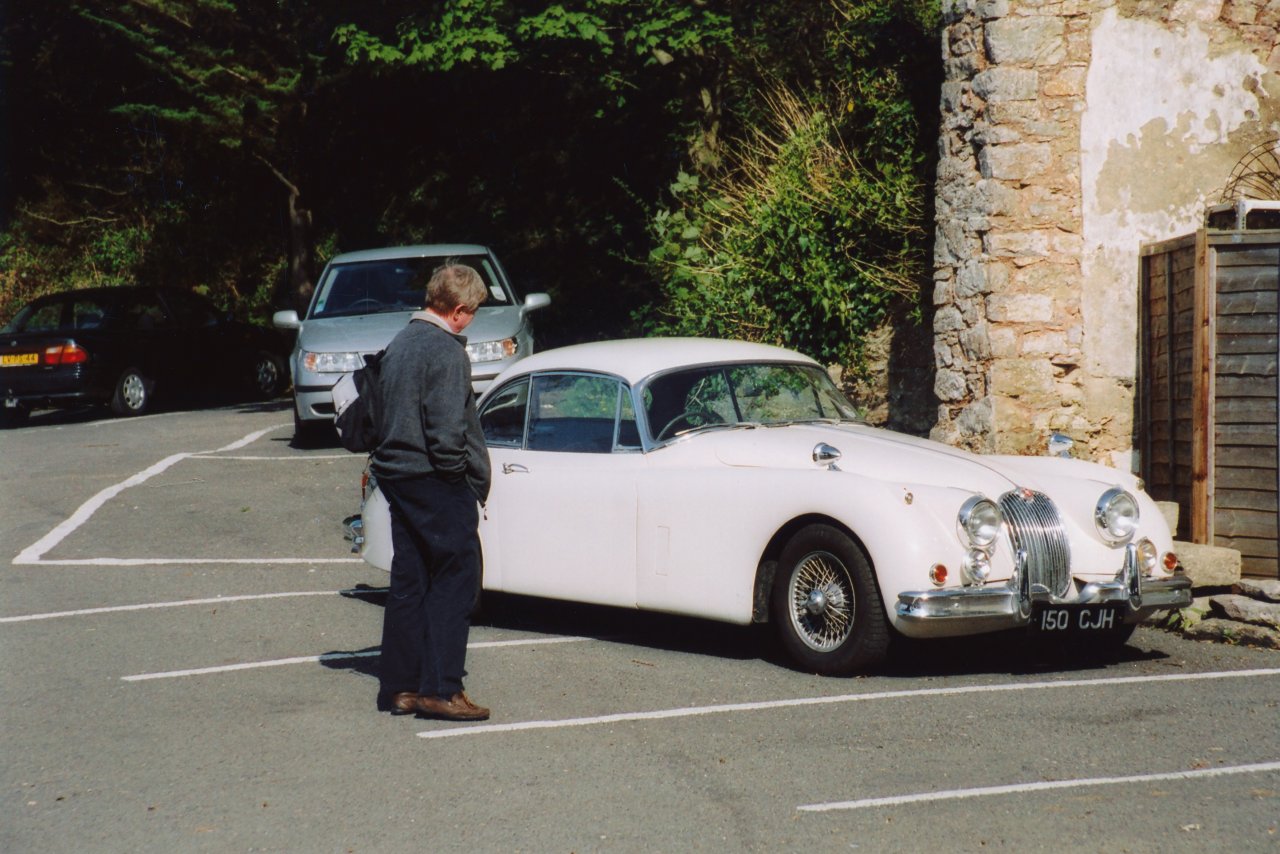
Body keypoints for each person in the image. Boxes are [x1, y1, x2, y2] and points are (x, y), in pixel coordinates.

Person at [371, 262, 492, 721]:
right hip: (434, 479)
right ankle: (442, 689)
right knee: (456, 579)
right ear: (458, 310)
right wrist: (458, 479)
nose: (471, 320)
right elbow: (445, 432)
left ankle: (400, 687)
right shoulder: (445, 350)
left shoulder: (400, 342)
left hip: (397, 475)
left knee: (411, 579)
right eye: (473, 312)